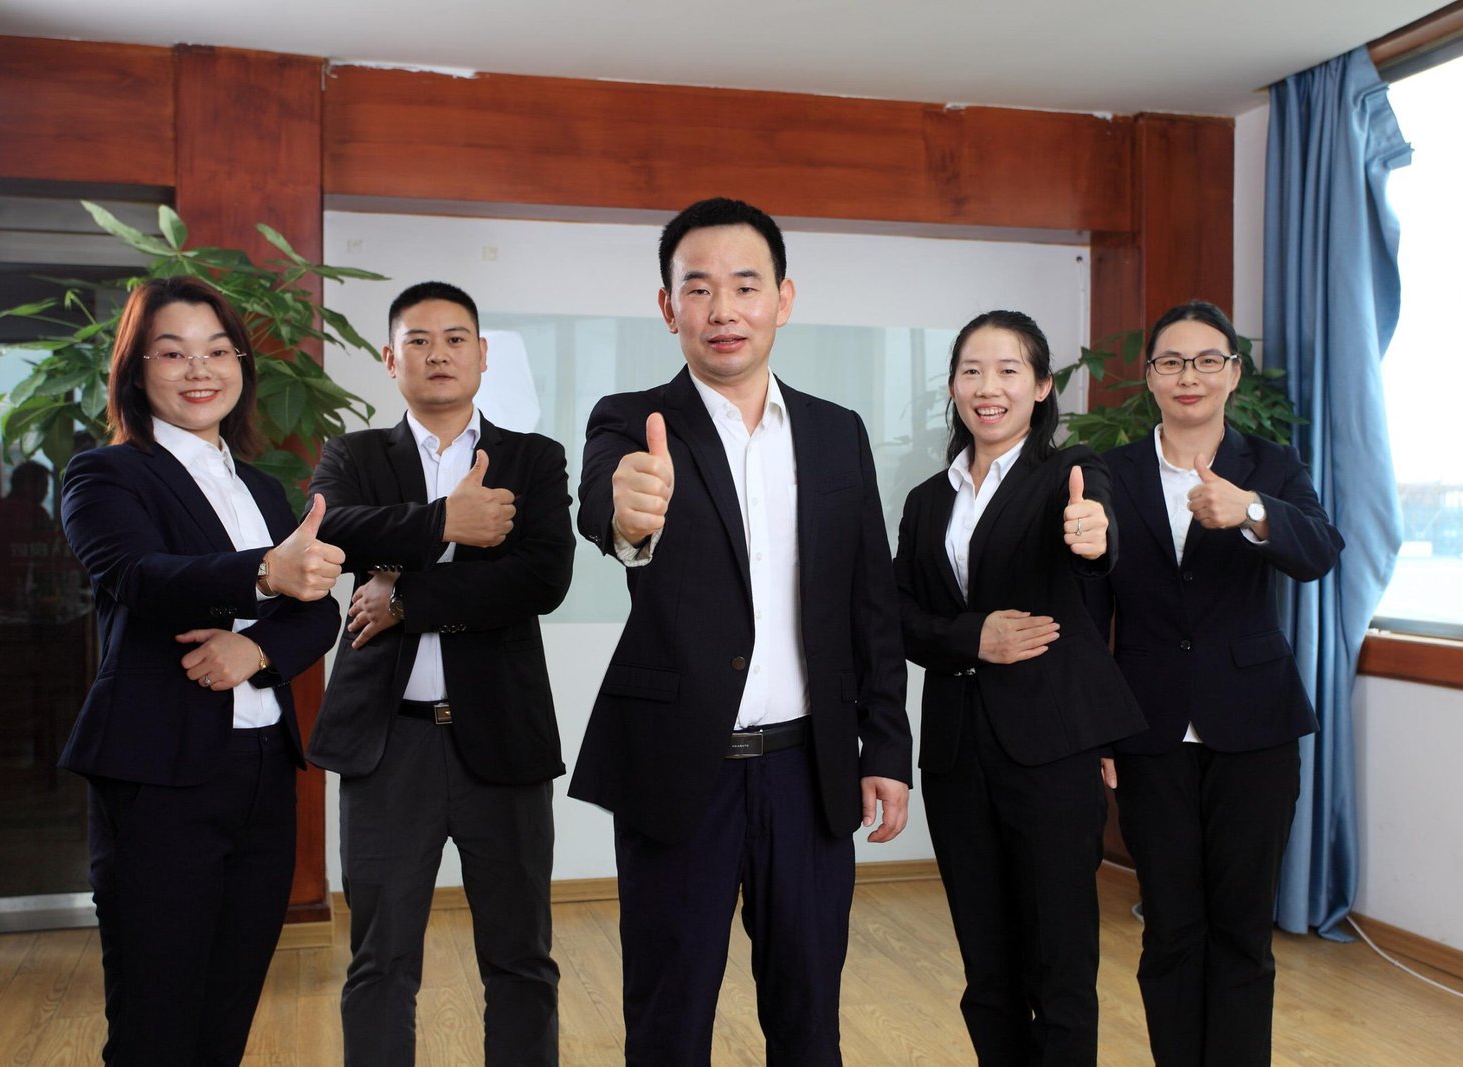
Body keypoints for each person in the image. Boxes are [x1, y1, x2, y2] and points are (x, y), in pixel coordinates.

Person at [569, 197, 912, 1067]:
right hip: (681, 765)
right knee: (669, 1015)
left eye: (745, 286)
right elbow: (605, 501)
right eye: (699, 288)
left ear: (783, 300)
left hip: (811, 767)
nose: (723, 310)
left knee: (808, 1013)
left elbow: (872, 598)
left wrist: (887, 749)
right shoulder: (630, 417)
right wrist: (628, 512)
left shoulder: (838, 433)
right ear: (668, 307)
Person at [58, 276, 343, 1066]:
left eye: (218, 350)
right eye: (174, 352)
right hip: (158, 774)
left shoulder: (262, 486)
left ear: (242, 365)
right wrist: (264, 577)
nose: (199, 369)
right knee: (156, 1025)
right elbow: (139, 575)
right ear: (135, 368)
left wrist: (257, 650)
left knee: (226, 1016)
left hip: (262, 772)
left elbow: (319, 609)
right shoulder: (105, 474)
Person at [306, 281, 574, 1067]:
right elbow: (334, 532)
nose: (438, 354)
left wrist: (408, 594)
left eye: (456, 338)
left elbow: (540, 579)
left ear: (483, 356)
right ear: (391, 361)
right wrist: (444, 524)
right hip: (390, 746)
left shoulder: (533, 458)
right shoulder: (354, 455)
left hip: (502, 740)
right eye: (418, 341)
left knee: (522, 957)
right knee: (381, 960)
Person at [1084, 301, 1342, 1067]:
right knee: (1170, 927)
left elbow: (1321, 549)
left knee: (1240, 930)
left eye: (1206, 361)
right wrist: (1100, 725)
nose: (1187, 375)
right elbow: (1094, 606)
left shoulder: (1273, 464)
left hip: (1255, 729)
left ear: (1233, 373)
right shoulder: (1111, 471)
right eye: (1171, 361)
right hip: (1149, 729)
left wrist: (1252, 510)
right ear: (1149, 378)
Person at [893, 309, 1145, 1066]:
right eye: (971, 370)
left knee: (1060, 963)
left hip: (1050, 749)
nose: (987, 386)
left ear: (1040, 386)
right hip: (957, 752)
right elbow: (898, 617)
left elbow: (1096, 523)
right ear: (953, 387)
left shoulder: (1069, 470)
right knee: (986, 968)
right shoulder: (926, 501)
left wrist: (1094, 531)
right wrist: (974, 637)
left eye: (1008, 370)